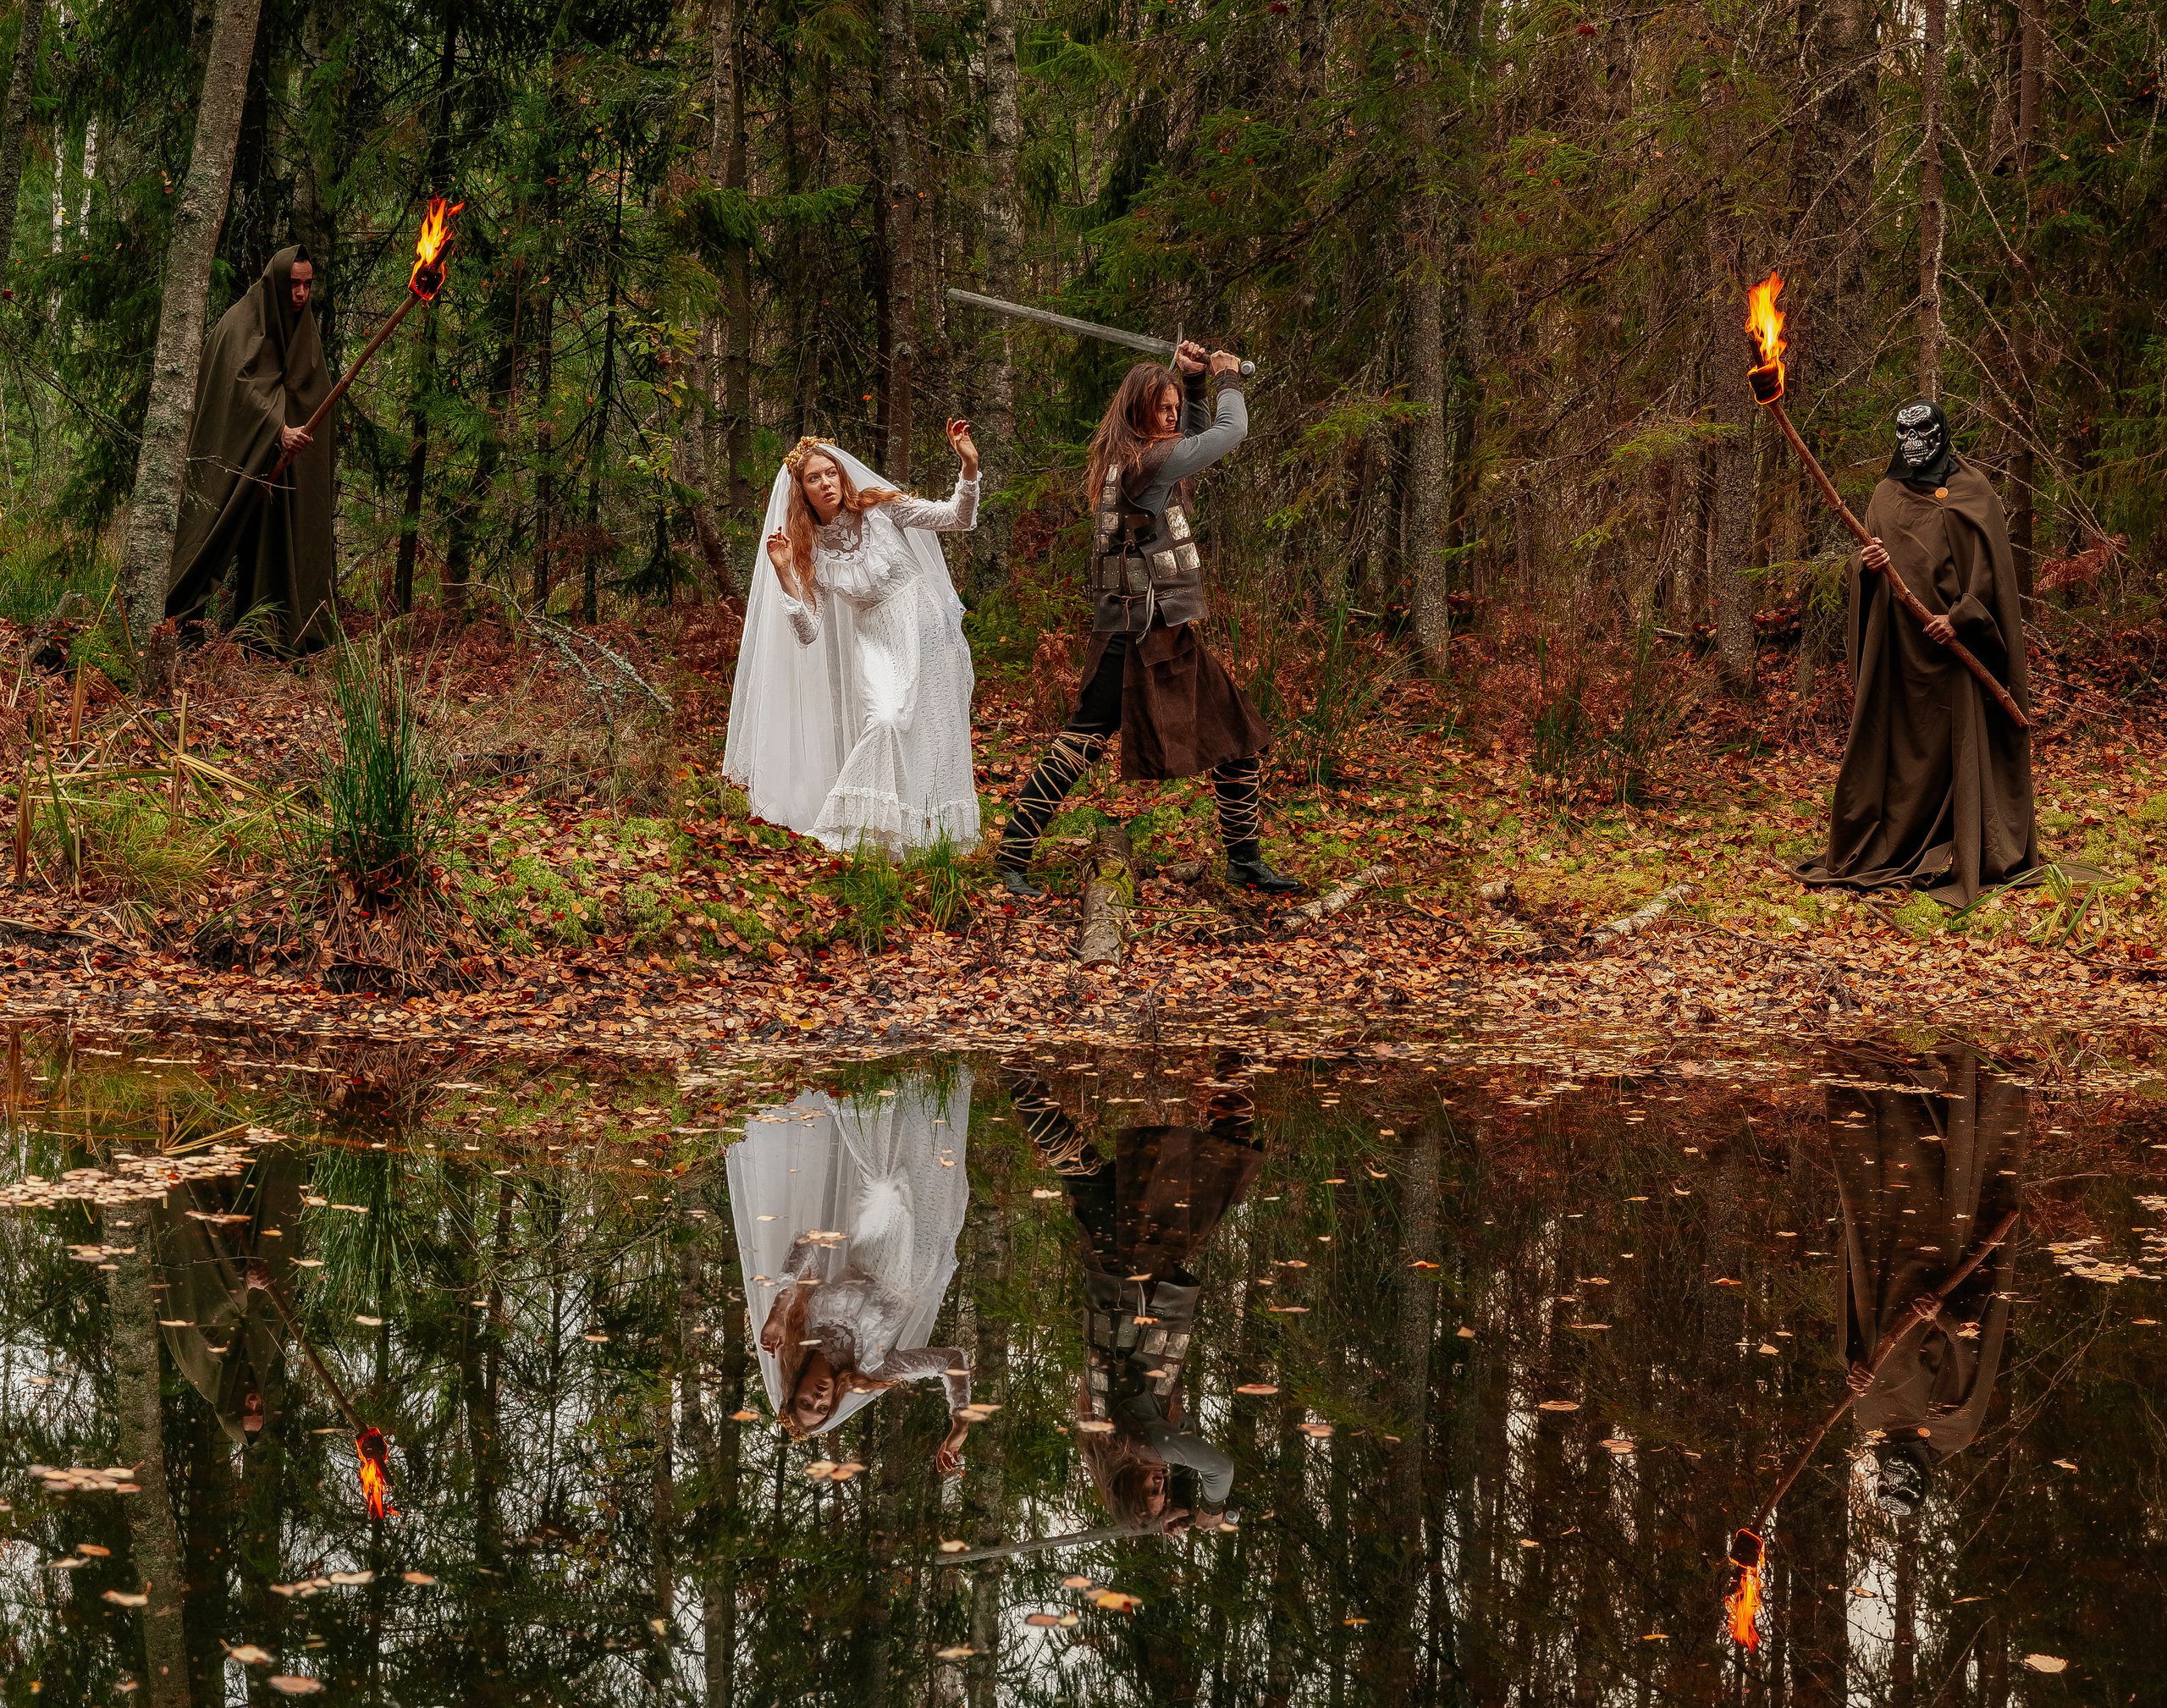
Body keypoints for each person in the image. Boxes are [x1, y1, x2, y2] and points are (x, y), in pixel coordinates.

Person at [995, 345, 1298, 897]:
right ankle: (1010, 858)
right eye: (1162, 409)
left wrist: (1195, 385)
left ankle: (1244, 859)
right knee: (1082, 739)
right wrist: (1229, 380)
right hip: (1133, 633)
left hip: (1160, 628)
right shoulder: (1148, 464)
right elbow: (1228, 436)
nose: (1172, 418)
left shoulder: (1143, 459)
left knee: (1237, 734)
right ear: (1137, 413)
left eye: (1175, 408)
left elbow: (1197, 444)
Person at [1790, 399, 2037, 906]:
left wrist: (1962, 618)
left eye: (1923, 433)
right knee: (1904, 748)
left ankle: (1967, 841)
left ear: (1942, 433)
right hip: (1903, 649)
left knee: (1962, 743)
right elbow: (1876, 567)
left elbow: (1992, 570)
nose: (1915, 445)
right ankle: (1903, 840)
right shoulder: (1885, 495)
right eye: (1905, 434)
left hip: (1959, 652)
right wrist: (1868, 563)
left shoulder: (1973, 492)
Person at [1006, 1064, 1264, 1534]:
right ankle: (1019, 1081)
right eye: (1161, 1493)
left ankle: (1234, 1060)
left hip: (1139, 1272)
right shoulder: (1112, 1442)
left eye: (1149, 1490)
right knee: (1084, 1174)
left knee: (1226, 1163)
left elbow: (1218, 1468)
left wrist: (1209, 1511)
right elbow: (1178, 1453)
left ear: (1128, 1485)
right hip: (1118, 1277)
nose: (1159, 1485)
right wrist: (1178, 1504)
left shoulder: (1143, 1445)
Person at [722, 427, 982, 856]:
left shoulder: (883, 508)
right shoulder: (812, 551)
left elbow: (956, 517)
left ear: (842, 476)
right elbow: (808, 631)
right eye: (814, 479)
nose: (826, 484)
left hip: (924, 624)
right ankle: (860, 830)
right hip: (876, 639)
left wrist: (968, 465)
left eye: (830, 474)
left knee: (932, 730)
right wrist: (786, 574)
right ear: (802, 492)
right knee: (886, 720)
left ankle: (930, 837)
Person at [730, 1072, 979, 1474]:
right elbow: (952, 1359)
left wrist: (778, 1311)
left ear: (794, 1388)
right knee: (928, 1167)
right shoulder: (876, 1366)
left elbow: (805, 1240)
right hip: (916, 1263)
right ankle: (929, 1077)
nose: (818, 1398)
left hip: (871, 1240)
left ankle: (865, 1079)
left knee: (881, 1181)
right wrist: (960, 1421)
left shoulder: (804, 1319)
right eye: (823, 1407)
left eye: (806, 1402)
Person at [1830, 1044, 2025, 1518]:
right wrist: (1945, 1318)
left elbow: (1853, 1357)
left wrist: (1852, 1363)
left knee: (1885, 1178)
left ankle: (1896, 1083)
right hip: (1940, 1282)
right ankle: (1951, 1086)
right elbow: (1975, 1355)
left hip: (1881, 1284)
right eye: (1904, 1481)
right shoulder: (1953, 1430)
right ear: (1921, 1479)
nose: (1893, 1470)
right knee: (1946, 1187)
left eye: (1886, 1480)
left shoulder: (1866, 1424)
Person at [164, 246, 336, 656]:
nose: (300, 294)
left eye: (307, 285)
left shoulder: (304, 331)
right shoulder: (239, 324)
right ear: (276, 282)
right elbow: (236, 390)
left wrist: (294, 436)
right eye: (293, 284)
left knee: (280, 538)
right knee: (212, 532)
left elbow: (309, 392)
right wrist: (278, 429)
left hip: (284, 466)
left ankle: (276, 638)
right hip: (239, 455)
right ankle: (173, 621)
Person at [148, 1155, 305, 1445]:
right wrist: (265, 1283)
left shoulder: (200, 1369)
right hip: (249, 1245)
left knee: (209, 1197)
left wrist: (244, 1285)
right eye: (259, 1407)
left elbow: (198, 1309)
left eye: (247, 1407)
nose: (254, 1400)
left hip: (206, 1254)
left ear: (233, 1407)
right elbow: (271, 1313)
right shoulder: (261, 1362)